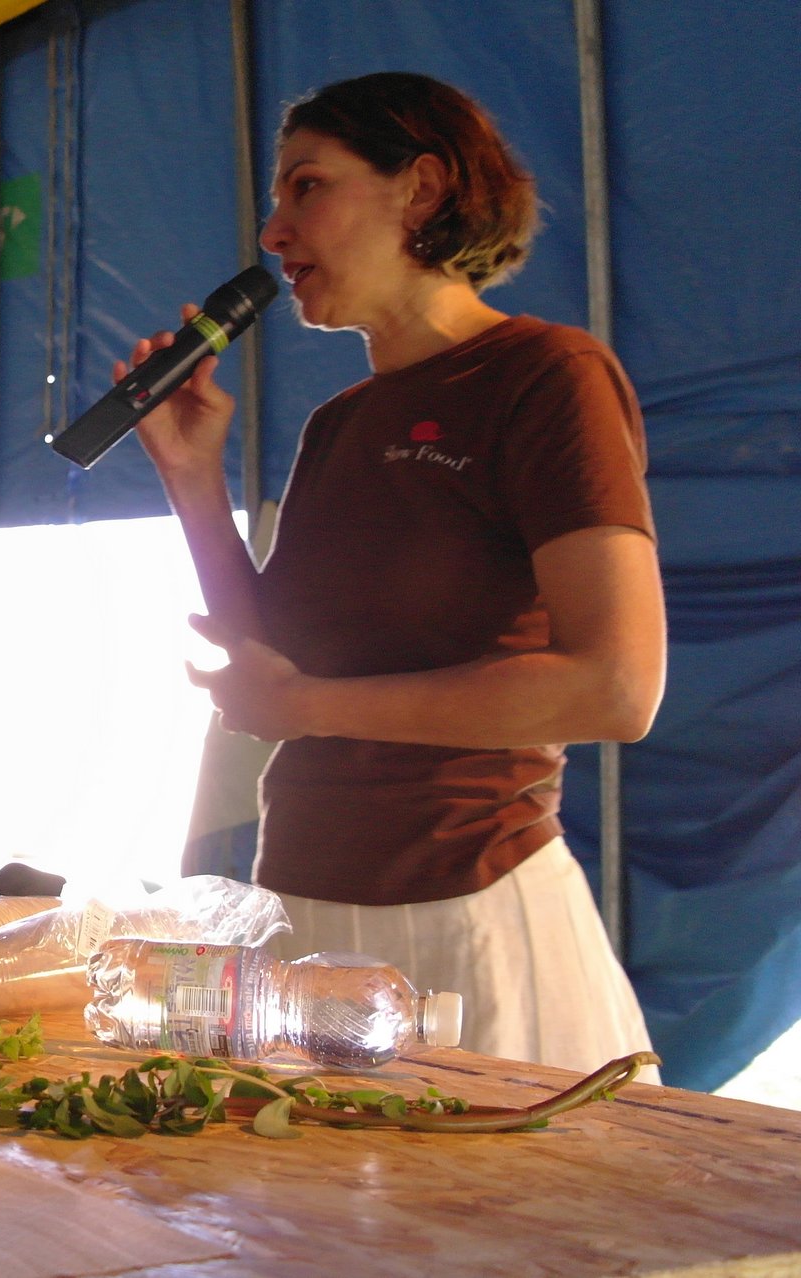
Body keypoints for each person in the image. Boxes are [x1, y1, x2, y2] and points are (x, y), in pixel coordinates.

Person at [119, 72, 664, 1077]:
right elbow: (270, 674)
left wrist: (315, 705)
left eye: (306, 189)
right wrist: (192, 477)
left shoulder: (547, 377)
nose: (275, 235)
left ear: (419, 188)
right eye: (273, 205)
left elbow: (616, 686)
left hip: (470, 909)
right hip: (305, 909)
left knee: (499, 1227)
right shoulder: (339, 425)